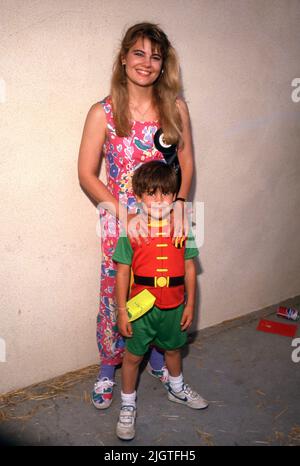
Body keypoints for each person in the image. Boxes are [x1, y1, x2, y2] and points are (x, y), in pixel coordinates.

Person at [77, 22, 194, 410]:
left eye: (155, 56)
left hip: (166, 219)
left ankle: (160, 358)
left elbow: (188, 163)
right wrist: (123, 215)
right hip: (121, 220)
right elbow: (86, 174)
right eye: (139, 53)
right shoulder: (103, 112)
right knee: (120, 295)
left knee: (166, 286)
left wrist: (179, 206)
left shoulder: (175, 107)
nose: (147, 62)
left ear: (163, 65)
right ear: (124, 57)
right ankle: (110, 368)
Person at [113, 161, 208, 441]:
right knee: (132, 357)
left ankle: (177, 388)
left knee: (174, 350)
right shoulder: (131, 231)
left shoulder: (182, 229)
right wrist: (121, 311)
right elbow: (122, 272)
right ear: (139, 197)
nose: (158, 200)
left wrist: (191, 305)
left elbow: (190, 268)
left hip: (175, 306)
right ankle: (128, 404)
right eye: (151, 194)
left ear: (174, 195)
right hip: (141, 309)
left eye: (165, 193)